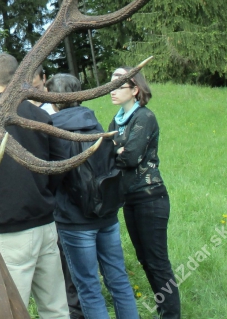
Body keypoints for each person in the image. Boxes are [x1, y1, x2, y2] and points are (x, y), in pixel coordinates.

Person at [0, 53, 69, 319]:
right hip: (45, 223)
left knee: (11, 311)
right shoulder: (38, 114)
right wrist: (43, 192)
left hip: (7, 229)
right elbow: (59, 164)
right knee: (56, 308)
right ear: (19, 79)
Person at [47, 74, 138, 319]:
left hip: (75, 222)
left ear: (53, 100)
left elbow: (52, 180)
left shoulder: (54, 131)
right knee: (119, 281)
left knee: (88, 288)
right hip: (107, 216)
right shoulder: (97, 126)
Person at [110, 67, 180, 319]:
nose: (112, 90)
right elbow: (110, 153)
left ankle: (171, 314)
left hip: (151, 197)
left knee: (158, 262)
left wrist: (117, 149)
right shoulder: (116, 120)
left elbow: (129, 157)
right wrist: (117, 149)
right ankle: (164, 310)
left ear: (135, 90)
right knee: (144, 259)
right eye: (110, 85)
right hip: (129, 199)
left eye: (119, 85)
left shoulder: (145, 118)